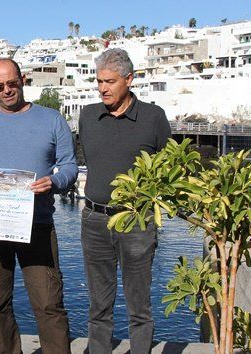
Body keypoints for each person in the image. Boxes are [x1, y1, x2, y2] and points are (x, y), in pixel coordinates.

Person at [0, 58, 77, 354]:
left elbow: (70, 167)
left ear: (23, 79)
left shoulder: (52, 119)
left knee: (49, 303)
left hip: (37, 223)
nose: (7, 90)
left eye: (12, 83)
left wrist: (55, 181)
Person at [78, 48, 171, 354]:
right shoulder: (87, 116)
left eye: (110, 81)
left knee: (139, 305)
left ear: (129, 79)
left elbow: (168, 167)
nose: (102, 87)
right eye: (99, 81)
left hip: (137, 220)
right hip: (94, 219)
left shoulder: (153, 117)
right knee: (99, 304)